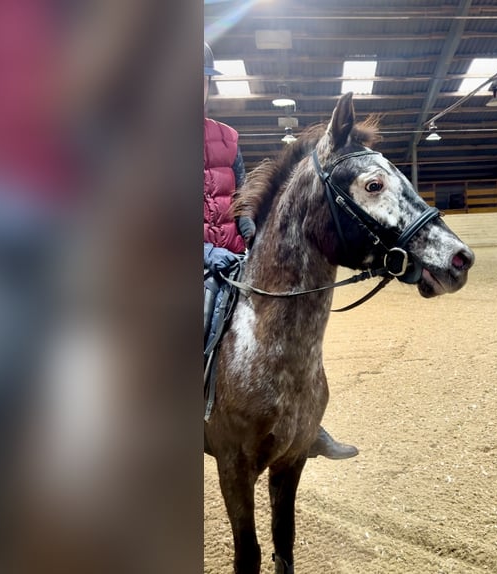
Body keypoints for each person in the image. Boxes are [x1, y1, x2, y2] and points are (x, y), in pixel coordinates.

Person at [203, 42, 357, 460]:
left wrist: (251, 230)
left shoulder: (227, 138)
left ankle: (303, 420)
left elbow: (239, 196)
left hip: (235, 254)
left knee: (290, 320)